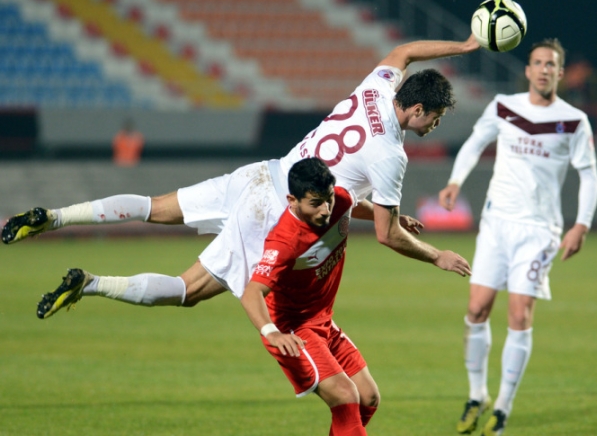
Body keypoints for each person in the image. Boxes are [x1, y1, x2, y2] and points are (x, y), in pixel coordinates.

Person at [2, 34, 478, 319]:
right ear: (416, 108)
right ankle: (90, 283)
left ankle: (58, 217)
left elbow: (405, 50)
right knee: (188, 290)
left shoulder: (376, 89)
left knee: (154, 207)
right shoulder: (392, 153)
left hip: (262, 173)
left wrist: (464, 46)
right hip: (275, 212)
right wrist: (437, 255)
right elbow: (387, 236)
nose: (433, 126)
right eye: (433, 117)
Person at [438, 38, 597, 436]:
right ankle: (477, 396)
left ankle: (504, 407)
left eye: (551, 64)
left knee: (519, 314)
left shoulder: (574, 120)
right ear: (527, 70)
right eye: (538, 62)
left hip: (539, 230)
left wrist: (582, 224)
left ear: (560, 74)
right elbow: (475, 143)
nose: (544, 69)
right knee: (476, 309)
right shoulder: (504, 106)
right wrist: (455, 181)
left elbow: (589, 174)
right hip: (497, 222)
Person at [241, 157, 378, 435]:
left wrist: (389, 218)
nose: (326, 210)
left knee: (368, 398)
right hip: (292, 330)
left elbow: (351, 203)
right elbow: (252, 292)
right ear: (293, 200)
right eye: (315, 203)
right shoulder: (284, 241)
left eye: (328, 199)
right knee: (345, 395)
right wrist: (272, 333)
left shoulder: (335, 200)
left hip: (324, 322)